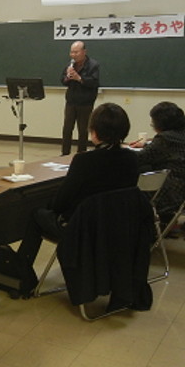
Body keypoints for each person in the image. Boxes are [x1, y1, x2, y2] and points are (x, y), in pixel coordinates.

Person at [17, 103, 138, 283]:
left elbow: (61, 203)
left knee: (37, 214)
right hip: (116, 225)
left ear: (94, 131)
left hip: (83, 228)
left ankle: (21, 275)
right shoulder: (132, 158)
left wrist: (50, 206)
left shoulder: (84, 161)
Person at [131, 102, 185, 226]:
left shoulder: (166, 138)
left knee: (136, 177)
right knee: (147, 168)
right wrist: (146, 144)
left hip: (174, 195)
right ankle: (166, 222)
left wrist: (121, 150)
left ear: (161, 123)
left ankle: (147, 225)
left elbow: (140, 158)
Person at [60, 41, 100, 155]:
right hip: (71, 101)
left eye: (76, 52)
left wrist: (79, 78)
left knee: (83, 130)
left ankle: (81, 154)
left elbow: (94, 83)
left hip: (85, 102)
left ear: (84, 52)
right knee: (67, 129)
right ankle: (64, 153)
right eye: (71, 52)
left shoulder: (93, 65)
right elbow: (62, 80)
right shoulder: (70, 65)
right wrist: (67, 77)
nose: (73, 55)